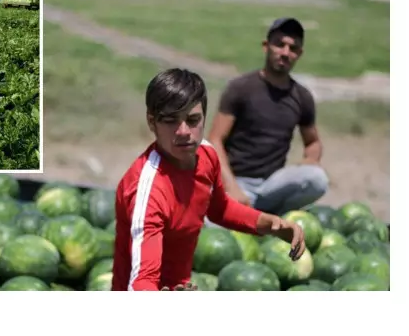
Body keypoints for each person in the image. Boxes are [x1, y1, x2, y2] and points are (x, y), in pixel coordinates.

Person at [111, 68, 306, 292]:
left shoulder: (207, 154)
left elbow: (218, 208)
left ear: (204, 116)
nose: (184, 131)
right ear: (152, 122)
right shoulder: (149, 191)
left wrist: (271, 225)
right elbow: (142, 282)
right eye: (171, 121)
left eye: (193, 120)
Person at [206, 18, 329, 217]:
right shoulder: (240, 88)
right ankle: (253, 215)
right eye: (280, 45)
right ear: (266, 47)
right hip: (237, 181)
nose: (285, 52)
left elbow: (313, 142)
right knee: (211, 221)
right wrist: (231, 187)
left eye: (293, 48)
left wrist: (311, 159)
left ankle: (270, 217)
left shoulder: (302, 97)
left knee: (317, 179)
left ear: (299, 54)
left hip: (273, 184)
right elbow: (214, 140)